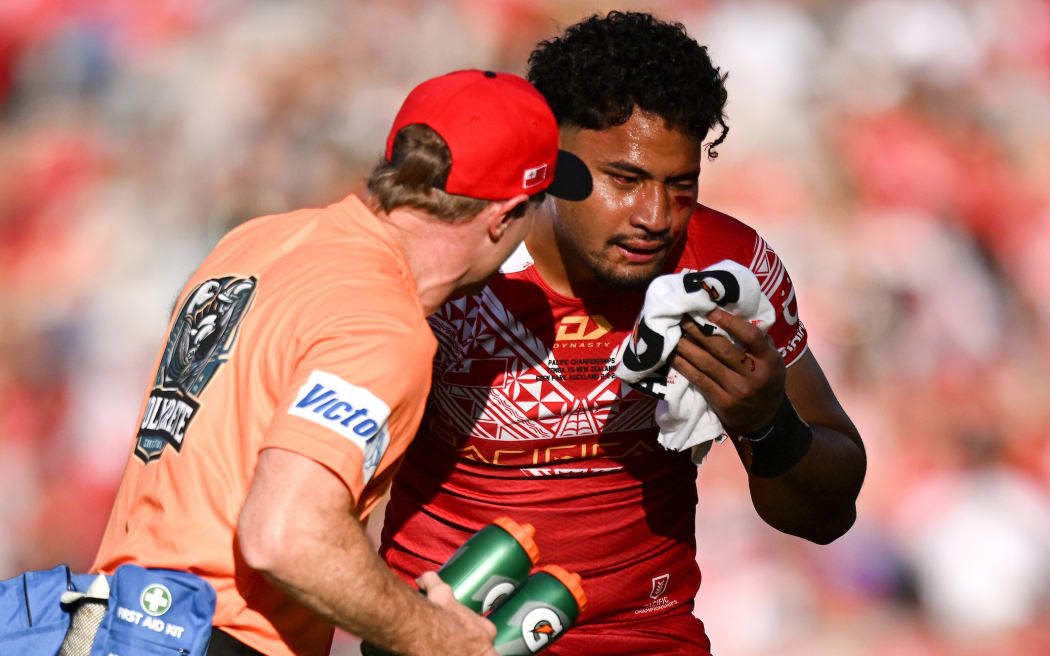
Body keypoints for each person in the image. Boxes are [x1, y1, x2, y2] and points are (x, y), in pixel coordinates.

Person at [378, 12, 866, 655]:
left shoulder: (726, 269)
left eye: (680, 186)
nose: (655, 217)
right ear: (551, 162)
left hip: (646, 633)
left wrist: (768, 424)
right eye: (625, 180)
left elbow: (828, 518)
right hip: (447, 633)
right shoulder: (452, 264)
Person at [91, 69, 590, 656]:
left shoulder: (254, 242)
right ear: (504, 218)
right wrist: (438, 636)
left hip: (112, 621)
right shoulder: (382, 323)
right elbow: (285, 534)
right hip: (212, 636)